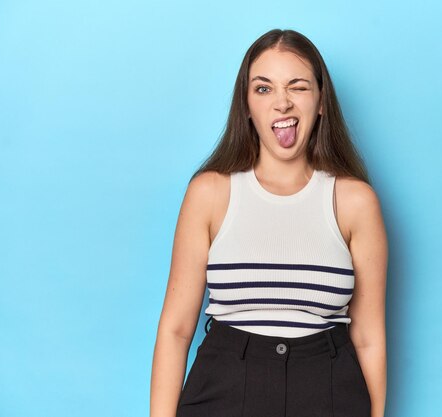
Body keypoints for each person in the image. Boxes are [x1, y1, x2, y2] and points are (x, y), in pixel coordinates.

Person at [150, 28, 388, 417]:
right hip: (224, 388)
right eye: (264, 89)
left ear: (322, 101)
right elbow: (176, 330)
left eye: (298, 87)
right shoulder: (210, 194)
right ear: (245, 104)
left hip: (327, 391)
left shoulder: (355, 202)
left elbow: (368, 337)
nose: (282, 103)